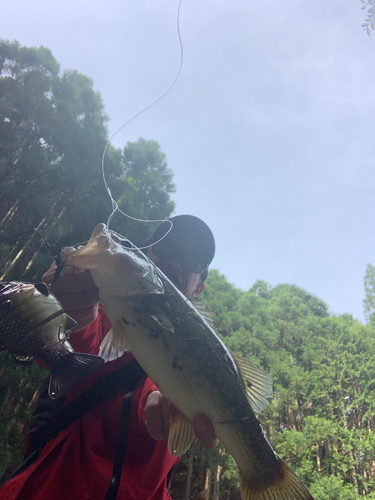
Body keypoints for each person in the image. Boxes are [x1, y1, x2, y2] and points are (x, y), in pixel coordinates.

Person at [0, 215, 218, 500]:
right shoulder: (106, 313)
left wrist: (159, 410)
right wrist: (66, 310)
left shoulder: (200, 356)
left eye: (191, 262)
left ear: (198, 288)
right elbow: (82, 344)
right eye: (166, 251)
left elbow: (154, 397)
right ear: (143, 254)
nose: (176, 264)